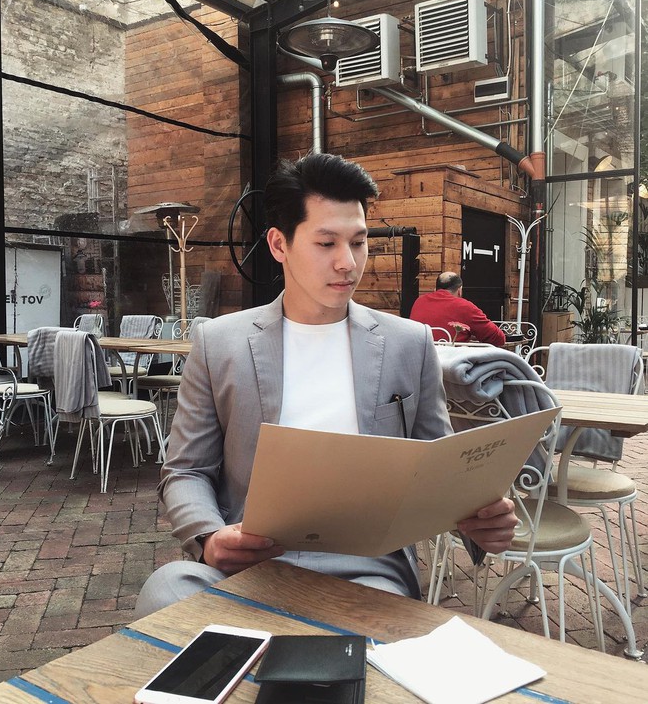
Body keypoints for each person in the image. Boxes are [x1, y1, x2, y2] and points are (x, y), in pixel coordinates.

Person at [134, 153, 517, 617]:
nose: (347, 263)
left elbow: (440, 469)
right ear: (279, 244)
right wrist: (210, 537)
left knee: (368, 634)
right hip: (250, 560)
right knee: (166, 591)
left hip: (367, 567)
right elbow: (186, 470)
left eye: (358, 242)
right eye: (326, 243)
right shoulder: (220, 343)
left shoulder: (407, 342)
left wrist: (478, 518)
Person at [410, 272, 506, 347]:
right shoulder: (464, 306)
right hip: (450, 361)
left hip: (420, 359)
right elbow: (498, 339)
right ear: (460, 291)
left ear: (435, 289)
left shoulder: (419, 301)